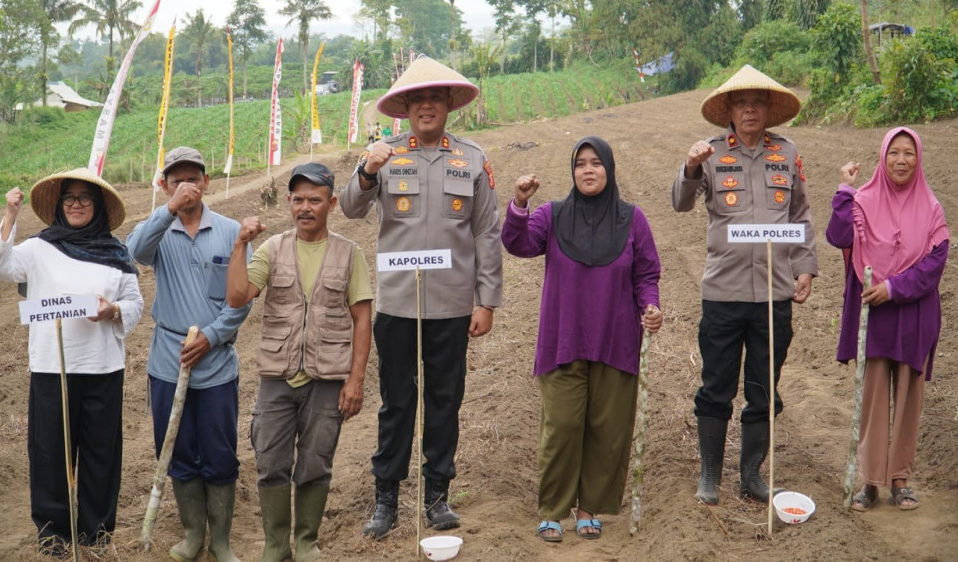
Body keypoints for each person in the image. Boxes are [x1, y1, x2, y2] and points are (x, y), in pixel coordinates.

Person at [340, 55, 503, 538]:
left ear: (449, 105)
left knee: (445, 399)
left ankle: (437, 496)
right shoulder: (384, 154)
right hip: (397, 305)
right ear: (406, 109)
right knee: (395, 403)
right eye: (418, 100)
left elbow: (487, 234)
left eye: (435, 99)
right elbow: (349, 208)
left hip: (452, 305)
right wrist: (367, 172)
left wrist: (487, 300)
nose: (427, 107)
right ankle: (386, 498)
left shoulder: (472, 159)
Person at [502, 137, 663, 542]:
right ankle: (553, 510)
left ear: (609, 169)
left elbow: (646, 273)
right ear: (572, 171)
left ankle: (590, 508)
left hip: (615, 338)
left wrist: (650, 306)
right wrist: (520, 205)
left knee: (607, 430)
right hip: (564, 338)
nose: (588, 170)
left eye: (596, 163)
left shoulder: (632, 219)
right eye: (580, 164)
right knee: (562, 425)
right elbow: (517, 243)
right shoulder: (553, 215)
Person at [671, 64, 818, 505]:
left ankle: (752, 474)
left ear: (769, 109)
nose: (750, 109)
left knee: (762, 387)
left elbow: (801, 216)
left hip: (774, 294)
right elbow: (679, 204)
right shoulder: (711, 153)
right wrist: (690, 166)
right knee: (716, 386)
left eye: (757, 102)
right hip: (723, 293)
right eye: (741, 102)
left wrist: (805, 268)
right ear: (729, 111)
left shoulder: (788, 154)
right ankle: (710, 475)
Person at [0, 168, 143, 555]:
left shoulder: (115, 252)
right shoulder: (39, 249)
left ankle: (96, 532)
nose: (75, 205)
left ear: (98, 207)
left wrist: (113, 311)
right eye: (69, 198)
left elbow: (136, 303)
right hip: (50, 367)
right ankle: (53, 534)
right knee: (50, 452)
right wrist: (9, 215)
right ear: (59, 205)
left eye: (84, 198)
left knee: (101, 453)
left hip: (103, 367)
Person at [227, 162, 373, 562]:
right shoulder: (272, 249)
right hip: (278, 376)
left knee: (315, 463)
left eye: (314, 199)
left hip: (327, 379)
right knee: (270, 461)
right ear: (289, 203)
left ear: (331, 204)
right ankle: (276, 544)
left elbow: (362, 318)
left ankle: (306, 541)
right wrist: (240, 244)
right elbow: (239, 296)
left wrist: (355, 380)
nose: (304, 207)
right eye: (297, 199)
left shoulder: (350, 254)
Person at [126, 147, 250, 562]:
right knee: (175, 446)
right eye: (176, 180)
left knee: (219, 450)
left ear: (206, 181)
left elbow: (241, 298)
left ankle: (222, 541)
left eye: (192, 178)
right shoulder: (159, 234)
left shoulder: (232, 231)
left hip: (215, 361)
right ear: (165, 185)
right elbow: (132, 252)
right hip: (168, 358)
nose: (186, 186)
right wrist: (167, 211)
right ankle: (193, 534)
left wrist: (212, 337)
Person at [826, 127, 948, 513]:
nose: (900, 160)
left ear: (919, 159)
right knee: (874, 397)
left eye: (908, 153)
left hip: (914, 315)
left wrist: (892, 288)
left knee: (910, 400)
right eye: (893, 152)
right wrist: (845, 190)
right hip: (873, 316)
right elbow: (838, 234)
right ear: (883, 157)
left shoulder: (931, 208)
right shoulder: (861, 200)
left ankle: (901, 480)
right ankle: (871, 482)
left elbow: (933, 265)